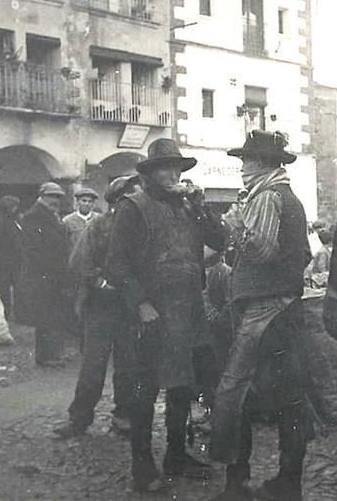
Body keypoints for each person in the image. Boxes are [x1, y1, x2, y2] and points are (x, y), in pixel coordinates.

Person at [105, 138, 225, 493]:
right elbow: (116, 264)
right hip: (150, 314)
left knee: (182, 386)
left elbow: (220, 241)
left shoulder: (188, 207)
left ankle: (176, 455)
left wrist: (202, 208)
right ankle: (143, 467)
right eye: (165, 168)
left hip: (187, 312)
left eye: (177, 168)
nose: (173, 174)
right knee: (144, 391)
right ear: (151, 173)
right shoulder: (133, 207)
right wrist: (140, 303)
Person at [210, 130, 315, 501]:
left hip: (265, 312)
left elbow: (263, 251)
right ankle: (288, 483)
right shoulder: (280, 195)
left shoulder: (268, 196)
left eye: (247, 161)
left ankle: (236, 483)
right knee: (289, 399)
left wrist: (237, 230)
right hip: (283, 309)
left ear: (266, 165)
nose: (242, 168)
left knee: (232, 394)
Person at [54, 173, 141, 439]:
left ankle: (124, 416)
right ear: (117, 201)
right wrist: (100, 282)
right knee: (93, 365)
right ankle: (79, 419)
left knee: (129, 365)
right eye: (131, 196)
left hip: (130, 305)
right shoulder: (99, 227)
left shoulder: (142, 228)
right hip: (101, 305)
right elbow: (79, 262)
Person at [18, 182, 73, 367]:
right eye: (51, 196)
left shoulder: (52, 216)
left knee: (53, 316)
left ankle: (51, 355)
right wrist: (55, 270)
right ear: (41, 197)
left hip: (54, 275)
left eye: (58, 197)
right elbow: (35, 250)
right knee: (47, 317)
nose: (55, 200)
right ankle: (47, 357)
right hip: (43, 275)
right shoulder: (33, 217)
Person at [0, 196, 22, 321]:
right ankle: (7, 312)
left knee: (12, 288)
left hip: (12, 261)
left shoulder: (13, 222)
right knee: (5, 289)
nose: (16, 209)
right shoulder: (3, 223)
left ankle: (13, 312)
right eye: (14, 207)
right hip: (6, 261)